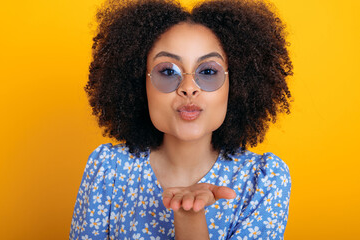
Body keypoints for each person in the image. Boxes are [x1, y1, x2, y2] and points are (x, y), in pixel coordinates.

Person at [69, 0, 293, 239]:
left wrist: (190, 216)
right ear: (137, 83)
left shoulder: (262, 180)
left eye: (208, 72)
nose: (188, 88)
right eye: (167, 71)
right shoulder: (107, 170)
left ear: (236, 84)